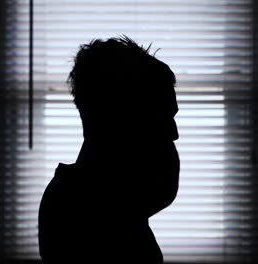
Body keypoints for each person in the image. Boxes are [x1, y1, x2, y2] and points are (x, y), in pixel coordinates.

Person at [38, 36, 180, 264]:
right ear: (122, 116)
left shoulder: (107, 198)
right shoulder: (83, 208)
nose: (174, 133)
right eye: (163, 116)